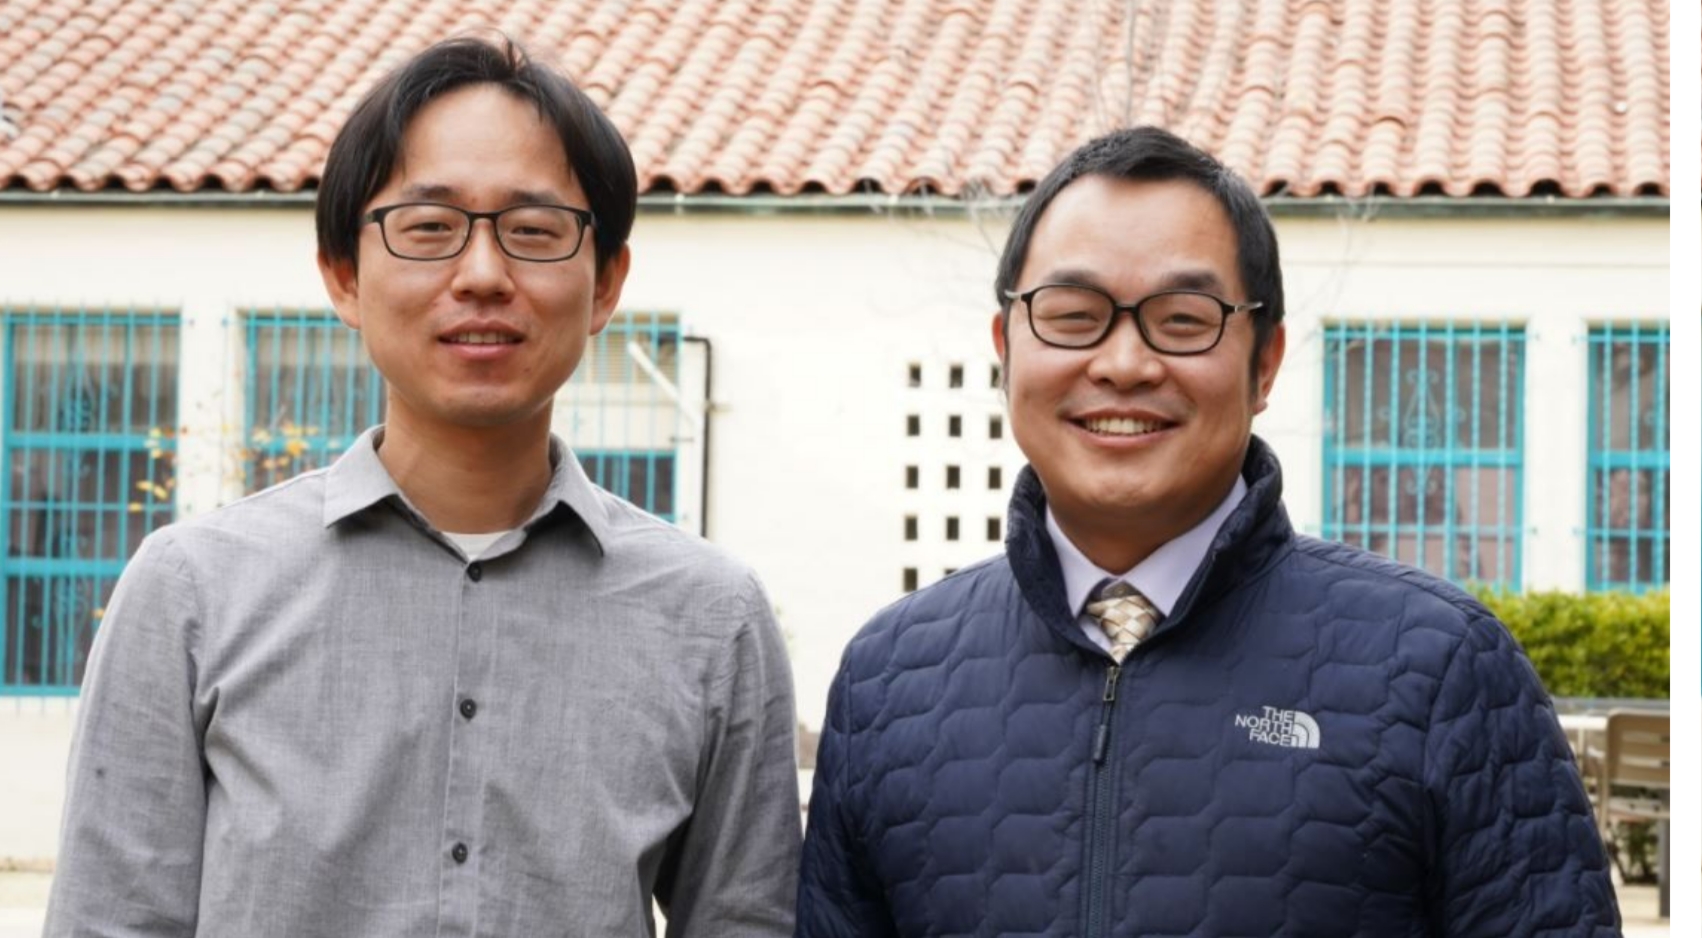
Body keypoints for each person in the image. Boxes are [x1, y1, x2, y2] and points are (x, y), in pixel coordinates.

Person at [46, 35, 799, 937]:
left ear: (604, 285)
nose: (483, 275)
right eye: (428, 227)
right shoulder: (190, 594)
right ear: (343, 274)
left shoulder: (712, 619)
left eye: (534, 230)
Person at [796, 127, 1617, 935]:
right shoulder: (890, 680)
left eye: (1184, 320)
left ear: (1265, 364)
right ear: (1005, 348)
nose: (1123, 363)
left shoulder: (1438, 668)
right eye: (1073, 315)